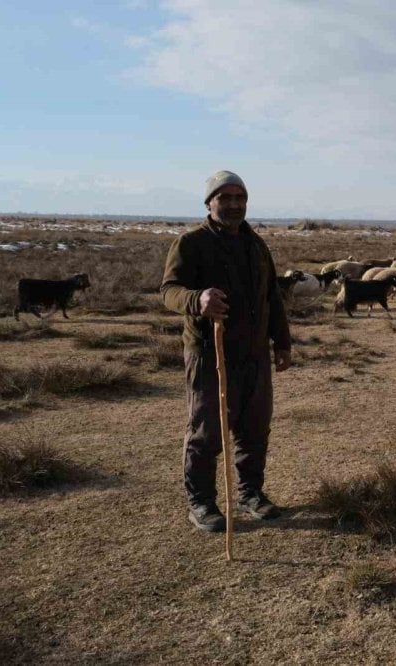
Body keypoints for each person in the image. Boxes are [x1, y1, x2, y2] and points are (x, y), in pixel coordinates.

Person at [161, 170, 292, 532]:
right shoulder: (191, 244)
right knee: (207, 431)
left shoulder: (257, 246)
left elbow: (271, 298)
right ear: (209, 202)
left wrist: (282, 342)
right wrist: (196, 299)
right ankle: (201, 502)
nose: (234, 204)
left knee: (255, 428)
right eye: (225, 197)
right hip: (210, 352)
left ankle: (251, 493)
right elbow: (169, 290)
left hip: (254, 353)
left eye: (240, 198)